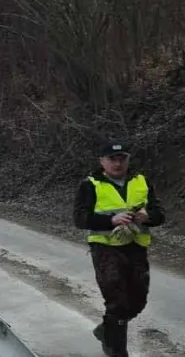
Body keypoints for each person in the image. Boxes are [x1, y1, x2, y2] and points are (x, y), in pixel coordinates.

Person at [73, 141, 166, 357]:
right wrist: (111, 220)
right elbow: (79, 218)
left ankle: (107, 330)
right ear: (102, 161)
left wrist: (147, 216)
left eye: (122, 158)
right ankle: (117, 350)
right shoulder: (90, 184)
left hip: (136, 246)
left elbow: (160, 214)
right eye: (112, 159)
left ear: (128, 160)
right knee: (118, 300)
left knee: (138, 300)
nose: (117, 163)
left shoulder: (141, 181)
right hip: (105, 248)